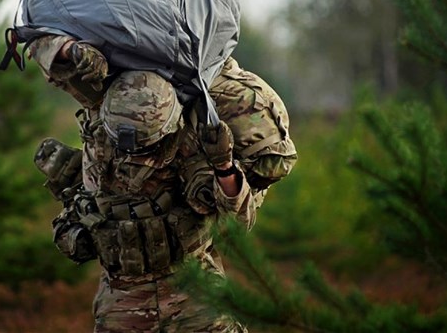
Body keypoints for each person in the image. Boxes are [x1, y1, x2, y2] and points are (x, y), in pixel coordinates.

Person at [30, 34, 296, 332]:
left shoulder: (189, 141)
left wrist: (223, 166)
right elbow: (38, 43)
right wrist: (70, 49)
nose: (133, 153)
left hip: (194, 291)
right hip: (122, 297)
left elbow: (238, 221)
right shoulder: (100, 122)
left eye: (145, 145)